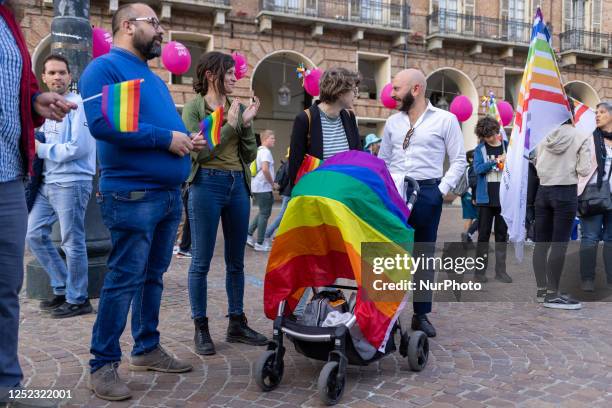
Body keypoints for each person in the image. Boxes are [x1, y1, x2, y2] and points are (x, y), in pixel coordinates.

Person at [81, 3, 205, 401]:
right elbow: (104, 124)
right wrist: (164, 139)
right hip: (132, 193)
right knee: (123, 279)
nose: (162, 32)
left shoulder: (153, 79)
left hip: (167, 195)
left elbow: (155, 127)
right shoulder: (105, 68)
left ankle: (146, 347)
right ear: (127, 26)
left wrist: (184, 138)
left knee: (152, 277)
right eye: (154, 23)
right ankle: (102, 364)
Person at [0, 0, 77, 400]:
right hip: (42, 178)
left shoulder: (9, 21)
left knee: (7, 285)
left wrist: (33, 102)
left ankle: (6, 384)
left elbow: (15, 90)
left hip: (11, 172)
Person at [182, 51, 267, 357]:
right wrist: (230, 126)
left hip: (238, 186)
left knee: (236, 261)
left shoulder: (238, 107)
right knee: (201, 261)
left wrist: (245, 124)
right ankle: (201, 327)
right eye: (229, 73)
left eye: (235, 73)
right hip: (206, 183)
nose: (235, 78)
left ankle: (236, 322)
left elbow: (250, 155)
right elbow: (199, 155)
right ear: (211, 74)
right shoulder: (194, 108)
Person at [379, 69, 467, 338]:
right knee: (388, 254)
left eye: (396, 89)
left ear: (415, 89)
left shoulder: (446, 120)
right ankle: (386, 315)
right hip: (395, 192)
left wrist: (440, 191)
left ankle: (421, 314)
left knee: (423, 255)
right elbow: (382, 159)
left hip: (428, 191)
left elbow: (459, 160)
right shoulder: (393, 123)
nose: (391, 94)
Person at [26, 54, 97, 318]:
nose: (57, 77)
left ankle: (78, 299)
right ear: (43, 77)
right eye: (52, 73)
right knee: (33, 234)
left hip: (72, 182)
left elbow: (79, 148)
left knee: (72, 241)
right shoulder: (43, 110)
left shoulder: (79, 106)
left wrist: (41, 149)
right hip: (48, 183)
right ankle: (61, 286)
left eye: (62, 72)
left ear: (69, 76)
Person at [532, 114, 591, 309]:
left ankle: (542, 291)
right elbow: (584, 170)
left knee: (541, 244)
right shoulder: (580, 136)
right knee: (559, 244)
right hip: (565, 191)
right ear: (571, 115)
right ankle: (552, 293)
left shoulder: (542, 135)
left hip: (543, 190)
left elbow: (536, 165)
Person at [288, 67, 362, 186]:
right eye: (354, 90)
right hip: (318, 192)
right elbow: (295, 166)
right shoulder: (304, 119)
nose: (356, 94)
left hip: (345, 191)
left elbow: (358, 156)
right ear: (340, 92)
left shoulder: (349, 117)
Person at [472, 116, 511, 283]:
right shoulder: (479, 149)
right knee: (483, 237)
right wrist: (495, 161)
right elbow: (478, 169)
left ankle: (501, 272)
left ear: (497, 130)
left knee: (502, 236)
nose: (492, 138)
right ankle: (479, 273)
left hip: (503, 199)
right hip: (485, 200)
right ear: (483, 136)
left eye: (494, 134)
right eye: (488, 136)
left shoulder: (507, 146)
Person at [578, 101, 612, 291]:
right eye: (596, 112)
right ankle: (587, 279)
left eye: (602, 112)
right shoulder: (589, 139)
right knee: (590, 237)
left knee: (610, 238)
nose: (597, 115)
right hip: (592, 194)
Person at [247, 130, 276, 251]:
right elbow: (265, 169)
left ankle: (248, 233)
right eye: (272, 138)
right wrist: (272, 183)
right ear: (265, 139)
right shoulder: (265, 152)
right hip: (263, 187)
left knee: (262, 212)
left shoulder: (258, 151)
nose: (274, 140)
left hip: (257, 186)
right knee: (265, 213)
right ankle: (260, 243)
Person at [264, 147, 292, 241]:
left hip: (287, 192)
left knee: (287, 216)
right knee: (282, 215)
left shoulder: (287, 163)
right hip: (289, 193)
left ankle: (278, 235)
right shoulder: (291, 164)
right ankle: (267, 233)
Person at [460, 149, 478, 243]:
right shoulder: (473, 168)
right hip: (471, 194)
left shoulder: (467, 168)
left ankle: (466, 235)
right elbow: (473, 183)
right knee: (481, 217)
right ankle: (468, 235)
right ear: (470, 159)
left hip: (465, 195)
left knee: (469, 217)